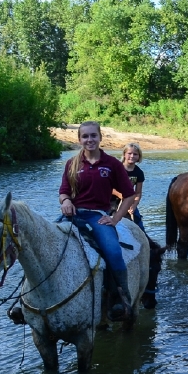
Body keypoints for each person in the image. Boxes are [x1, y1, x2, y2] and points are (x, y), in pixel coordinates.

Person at [59, 121, 138, 320]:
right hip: (73, 215)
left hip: (97, 216)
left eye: (93, 135)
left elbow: (129, 194)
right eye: (85, 136)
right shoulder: (72, 163)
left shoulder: (112, 164)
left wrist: (115, 218)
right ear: (79, 140)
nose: (89, 139)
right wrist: (66, 201)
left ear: (100, 137)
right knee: (43, 243)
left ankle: (120, 298)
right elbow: (63, 191)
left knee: (113, 251)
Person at [111, 142, 146, 232]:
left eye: (135, 154)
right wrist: (121, 196)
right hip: (112, 201)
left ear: (139, 157)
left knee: (139, 226)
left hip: (129, 201)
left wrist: (134, 205)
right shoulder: (116, 169)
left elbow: (138, 192)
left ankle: (148, 243)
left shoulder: (139, 172)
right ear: (124, 154)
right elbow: (110, 188)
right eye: (129, 153)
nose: (132, 156)